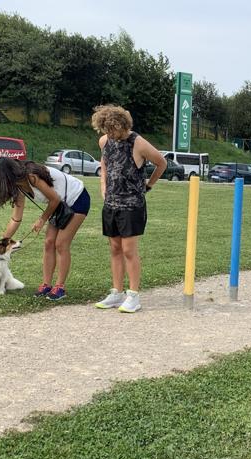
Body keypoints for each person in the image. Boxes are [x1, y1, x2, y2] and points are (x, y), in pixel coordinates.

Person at [0, 157, 90, 300]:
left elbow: (54, 199)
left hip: (77, 198)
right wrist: (0, 244)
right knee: (48, 242)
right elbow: (16, 219)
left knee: (61, 244)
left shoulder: (32, 176)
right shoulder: (18, 186)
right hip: (60, 205)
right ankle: (46, 285)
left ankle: (60, 287)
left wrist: (42, 219)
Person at [91, 104, 166, 313]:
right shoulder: (105, 141)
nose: (111, 134)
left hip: (132, 205)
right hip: (111, 204)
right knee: (114, 248)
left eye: (114, 130)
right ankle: (117, 292)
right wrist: (103, 184)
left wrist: (149, 185)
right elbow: (104, 163)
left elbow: (161, 163)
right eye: (107, 130)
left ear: (123, 126)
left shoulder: (138, 143)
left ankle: (133, 296)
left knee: (128, 250)